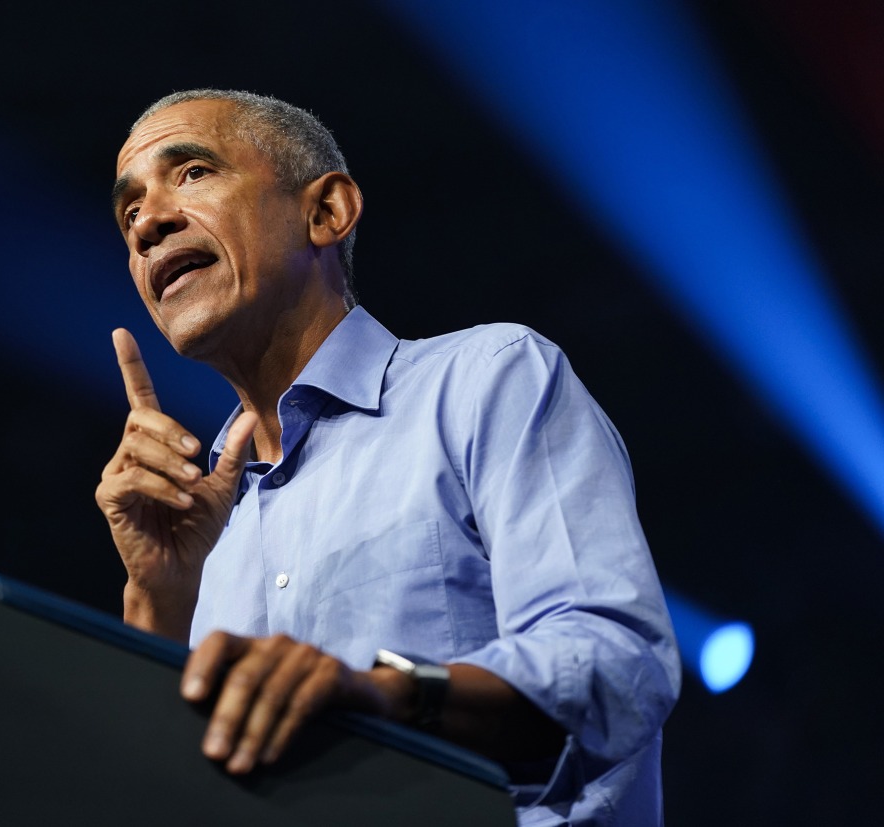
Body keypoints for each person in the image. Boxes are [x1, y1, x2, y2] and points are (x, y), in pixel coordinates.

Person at [96, 89, 680, 825]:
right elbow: (151, 795)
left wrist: (386, 696)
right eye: (129, 214)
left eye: (193, 173)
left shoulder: (485, 380)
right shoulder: (199, 524)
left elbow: (617, 663)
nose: (148, 223)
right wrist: (158, 600)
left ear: (327, 211)